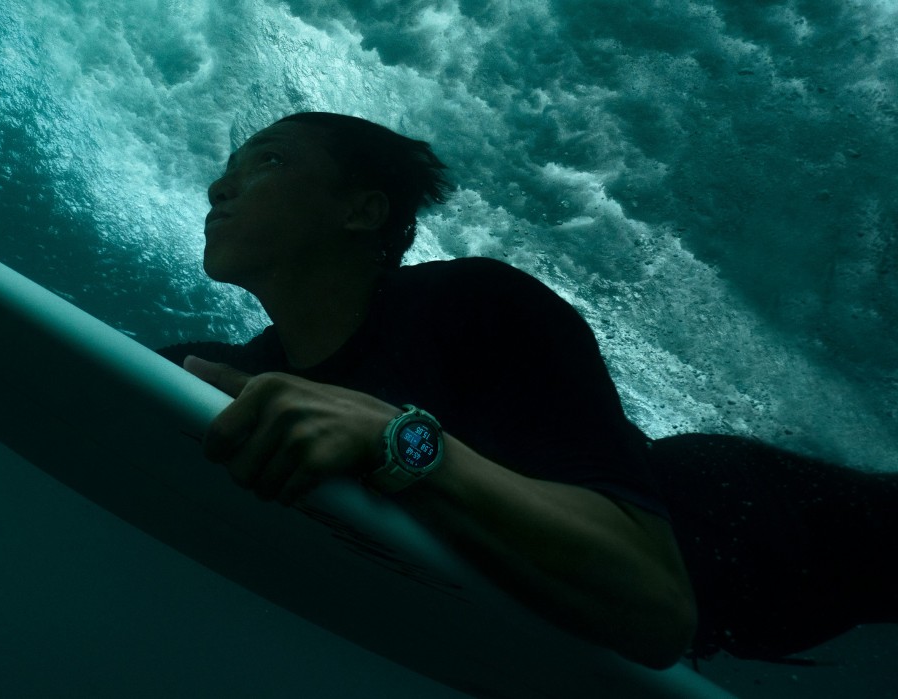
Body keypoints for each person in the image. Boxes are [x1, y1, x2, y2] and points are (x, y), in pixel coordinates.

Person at [156, 112, 898, 669]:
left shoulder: (476, 306)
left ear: (362, 210)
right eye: (227, 167)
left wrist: (397, 439)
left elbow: (660, 608)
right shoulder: (246, 376)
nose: (221, 185)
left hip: (741, 526)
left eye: (269, 160)